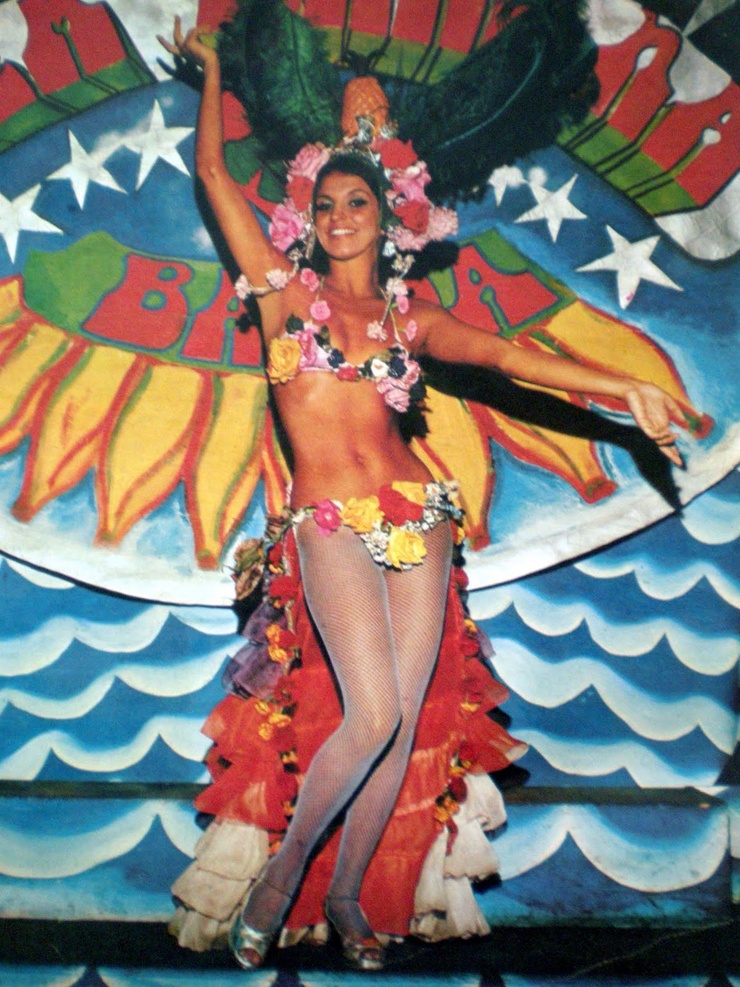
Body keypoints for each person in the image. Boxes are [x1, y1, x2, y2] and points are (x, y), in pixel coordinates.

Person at [159, 19, 689, 972]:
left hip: (419, 516)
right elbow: (209, 175)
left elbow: (511, 357)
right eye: (325, 203)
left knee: (402, 724)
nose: (339, 216)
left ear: (389, 217)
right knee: (368, 714)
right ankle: (282, 881)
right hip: (328, 520)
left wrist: (624, 387)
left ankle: (352, 898)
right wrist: (210, 73)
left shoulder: (413, 317)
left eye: (357, 201)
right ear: (306, 215)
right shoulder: (281, 295)